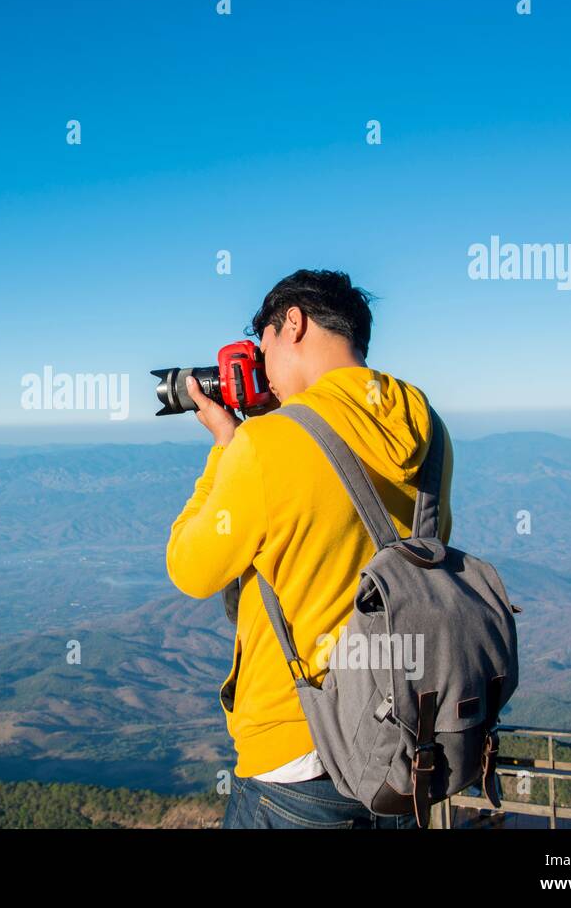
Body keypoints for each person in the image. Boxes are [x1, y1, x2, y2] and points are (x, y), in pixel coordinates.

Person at [165, 269, 453, 828]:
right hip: (399, 746)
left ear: (292, 323)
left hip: (298, 756)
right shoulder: (428, 426)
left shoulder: (266, 444)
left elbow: (190, 569)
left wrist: (226, 446)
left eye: (263, 342)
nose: (261, 360)